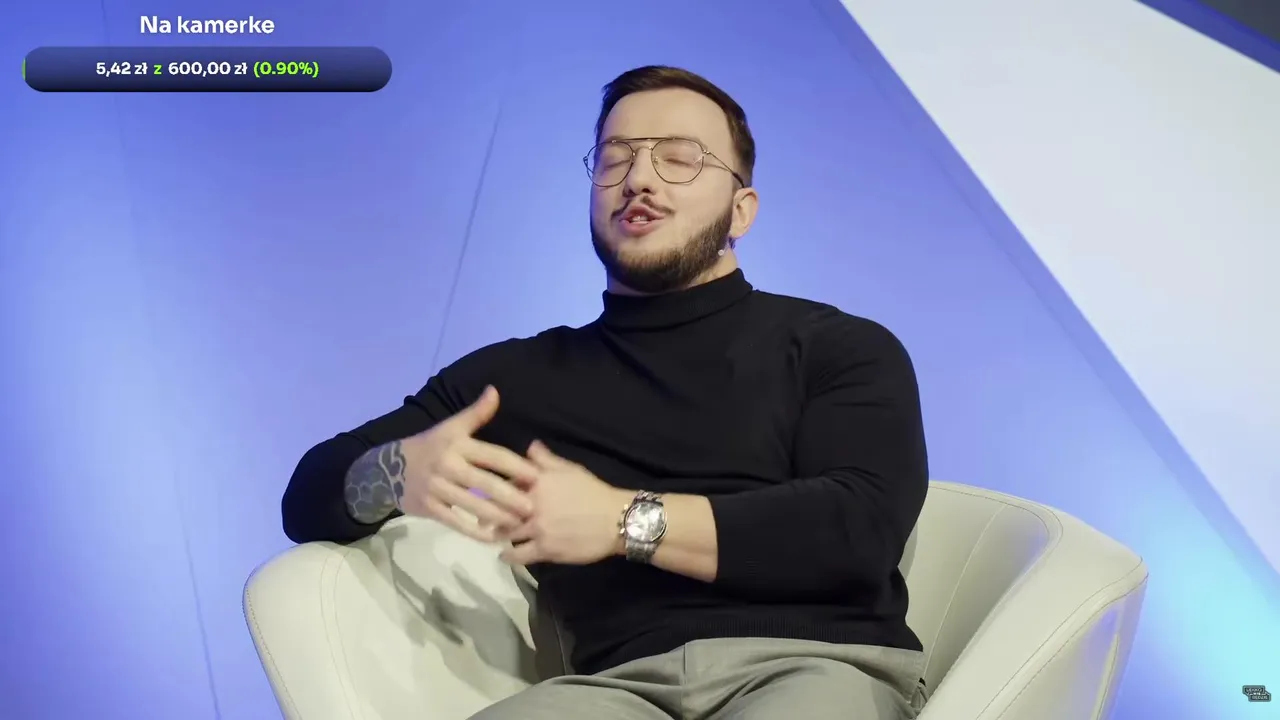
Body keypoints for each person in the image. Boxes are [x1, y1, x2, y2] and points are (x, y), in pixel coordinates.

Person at [282, 65, 930, 719]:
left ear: (742, 210)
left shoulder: (838, 347)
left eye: (679, 158)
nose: (638, 178)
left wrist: (623, 521)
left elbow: (859, 528)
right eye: (615, 158)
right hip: (615, 692)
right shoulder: (518, 378)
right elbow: (309, 496)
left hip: (815, 667)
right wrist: (394, 471)